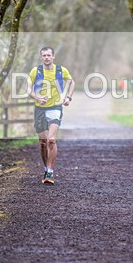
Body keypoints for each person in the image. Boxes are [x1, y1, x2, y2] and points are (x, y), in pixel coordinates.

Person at [26, 46, 75, 184]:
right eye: (44, 55)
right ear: (41, 57)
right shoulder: (35, 71)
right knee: (42, 143)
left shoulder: (61, 70)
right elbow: (28, 89)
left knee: (51, 140)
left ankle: (50, 172)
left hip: (55, 107)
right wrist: (37, 97)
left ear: (53, 56)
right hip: (40, 109)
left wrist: (68, 97)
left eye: (49, 55)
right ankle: (45, 167)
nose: (46, 58)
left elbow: (71, 82)